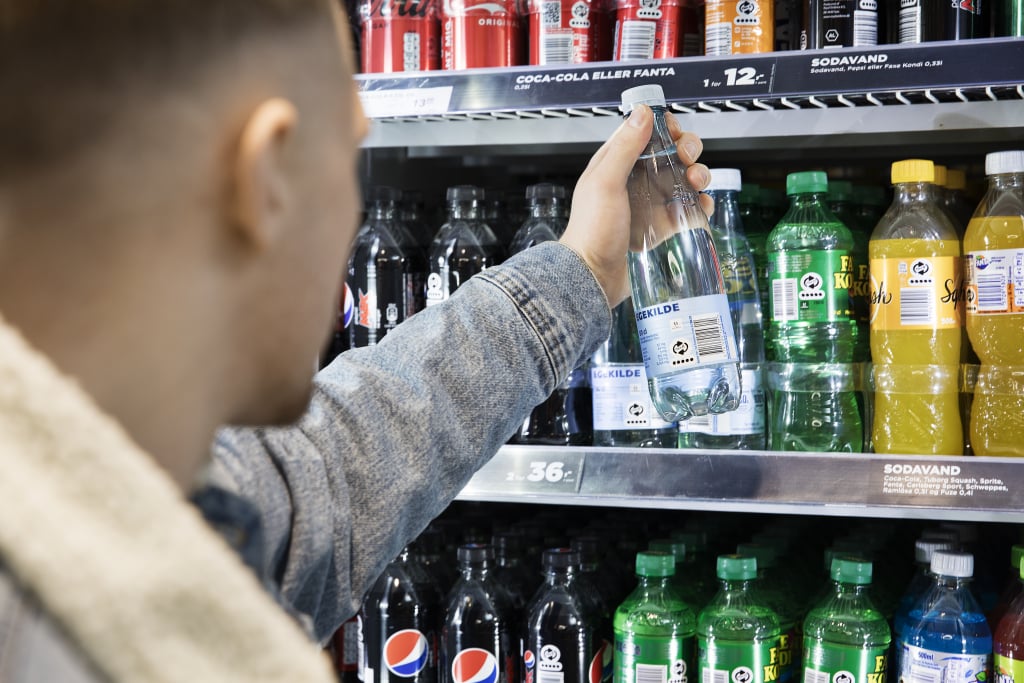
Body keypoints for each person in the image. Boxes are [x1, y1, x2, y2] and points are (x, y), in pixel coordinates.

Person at [0, 1, 712, 680]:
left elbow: (335, 470)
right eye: (348, 155)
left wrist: (585, 268)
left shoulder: (114, 505)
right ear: (267, 179)